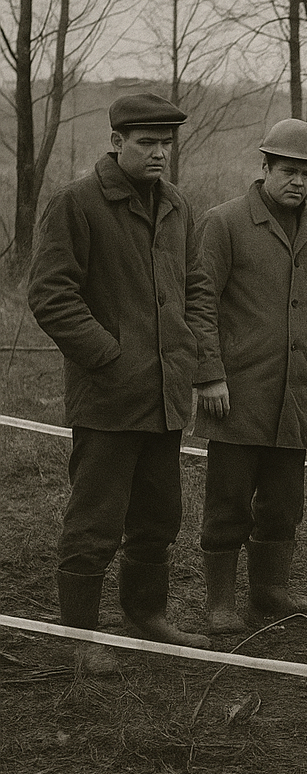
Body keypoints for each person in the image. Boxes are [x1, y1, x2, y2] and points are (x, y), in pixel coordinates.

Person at [28, 93, 215, 673]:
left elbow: (196, 286)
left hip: (165, 396)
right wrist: (109, 356)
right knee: (95, 522)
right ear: (116, 142)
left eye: (166, 144)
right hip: (108, 398)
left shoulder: (177, 205)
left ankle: (146, 617)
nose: (159, 153)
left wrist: (187, 348)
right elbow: (50, 294)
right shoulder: (77, 203)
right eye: (146, 143)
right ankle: (81, 638)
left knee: (158, 518)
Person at [191, 119, 307, 633]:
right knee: (228, 503)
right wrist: (209, 374)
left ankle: (271, 590)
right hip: (237, 393)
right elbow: (201, 303)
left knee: (284, 503)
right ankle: (220, 603)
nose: (298, 182)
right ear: (265, 167)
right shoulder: (224, 223)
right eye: (289, 171)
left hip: (296, 391)